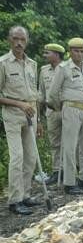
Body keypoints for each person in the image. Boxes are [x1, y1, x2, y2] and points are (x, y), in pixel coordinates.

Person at [0, 26, 41, 215]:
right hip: (13, 114)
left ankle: (25, 195)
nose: (19, 43)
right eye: (15, 39)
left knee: (31, 157)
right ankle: (14, 200)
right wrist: (19, 104)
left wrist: (39, 120)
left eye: (22, 40)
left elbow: (35, 94)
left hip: (31, 113)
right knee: (17, 157)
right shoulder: (3, 63)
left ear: (27, 41)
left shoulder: (32, 64)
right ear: (9, 40)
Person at [48, 38, 83, 195]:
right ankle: (69, 182)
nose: (80, 54)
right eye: (76, 51)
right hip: (71, 109)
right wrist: (60, 107)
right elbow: (53, 93)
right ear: (70, 51)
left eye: (82, 51)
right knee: (69, 146)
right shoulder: (63, 68)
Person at [38, 43, 65, 185]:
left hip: (66, 110)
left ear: (56, 54)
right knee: (55, 143)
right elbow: (41, 94)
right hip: (51, 111)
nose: (45, 55)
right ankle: (56, 172)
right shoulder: (43, 71)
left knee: (70, 142)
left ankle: (69, 172)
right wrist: (39, 117)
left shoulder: (67, 68)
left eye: (47, 53)